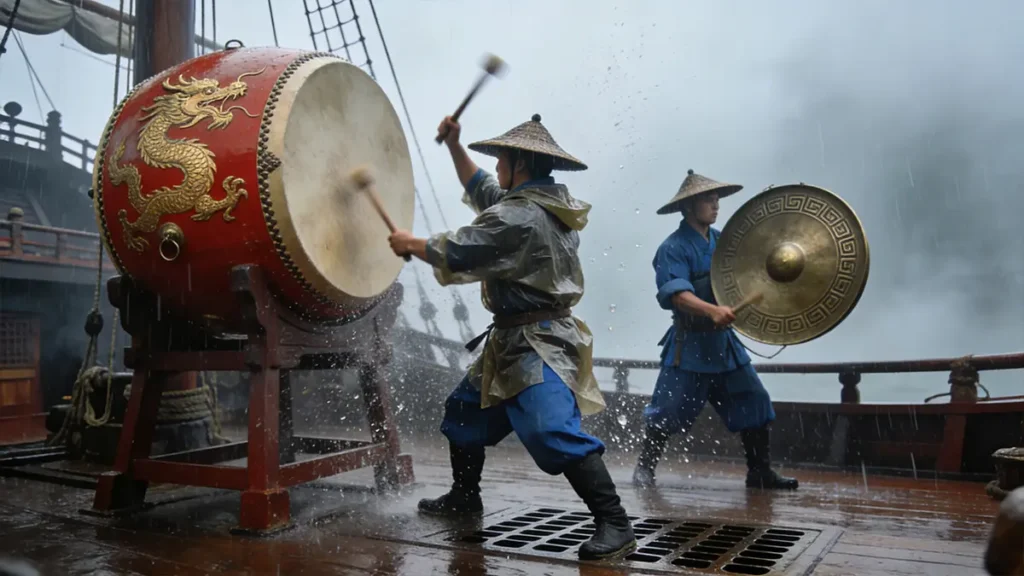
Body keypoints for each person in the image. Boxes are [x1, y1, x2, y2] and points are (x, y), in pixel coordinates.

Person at [387, 113, 636, 560]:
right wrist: (455, 146)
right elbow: (484, 188)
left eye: (502, 158)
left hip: (537, 343)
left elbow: (460, 249)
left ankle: (615, 523)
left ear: (519, 162)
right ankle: (466, 496)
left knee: (551, 429)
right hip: (510, 341)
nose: (497, 166)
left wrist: (412, 244)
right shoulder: (540, 203)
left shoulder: (519, 217)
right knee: (463, 413)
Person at [632, 169, 799, 491]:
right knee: (666, 410)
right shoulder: (673, 248)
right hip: (689, 345)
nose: (715, 204)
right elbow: (676, 295)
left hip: (724, 345)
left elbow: (750, 274)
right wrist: (712, 310)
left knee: (755, 400)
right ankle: (645, 468)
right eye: (707, 199)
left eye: (716, 198)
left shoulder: (724, 241)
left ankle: (759, 471)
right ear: (688, 207)